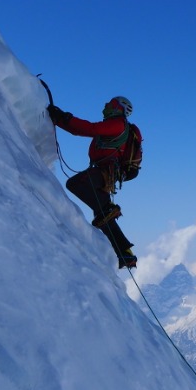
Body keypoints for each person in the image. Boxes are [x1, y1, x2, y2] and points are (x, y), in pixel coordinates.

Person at [48, 95, 139, 269]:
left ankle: (110, 218)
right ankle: (124, 253)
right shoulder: (119, 125)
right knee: (102, 212)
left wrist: (62, 118)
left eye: (110, 104)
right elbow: (86, 130)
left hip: (104, 171)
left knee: (76, 185)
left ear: (118, 108)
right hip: (106, 172)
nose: (106, 106)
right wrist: (61, 119)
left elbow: (89, 129)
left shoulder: (118, 124)